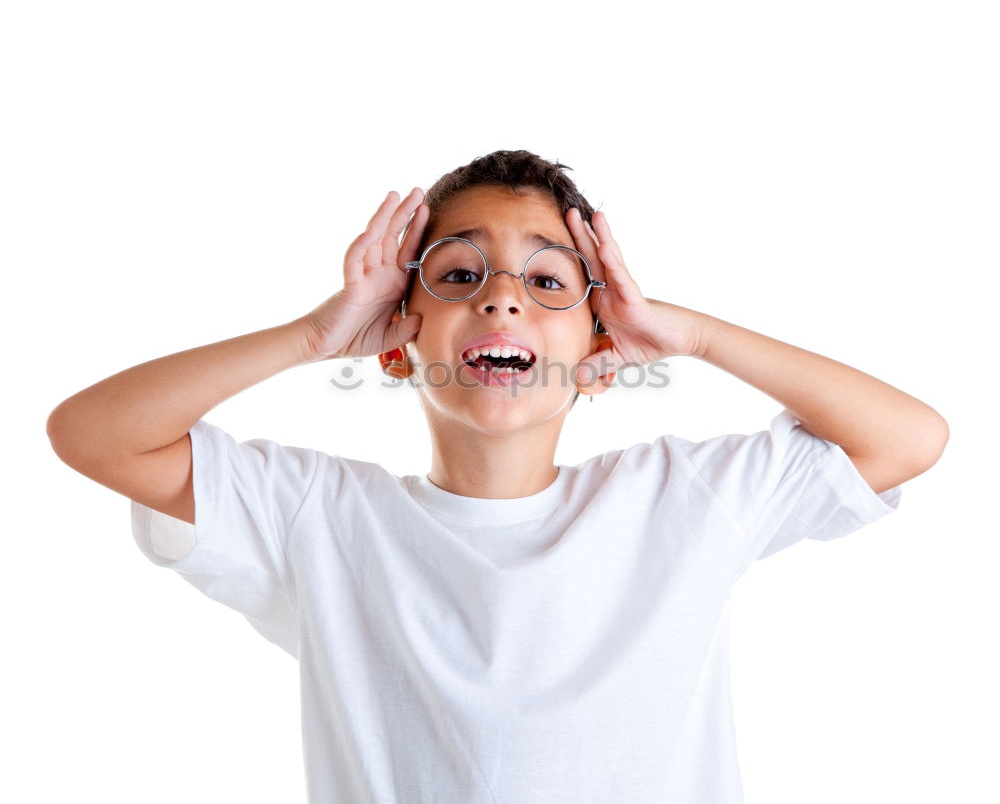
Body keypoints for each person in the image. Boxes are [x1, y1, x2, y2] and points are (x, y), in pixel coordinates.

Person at [46, 149, 949, 803]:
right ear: (398, 345)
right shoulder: (317, 518)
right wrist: (312, 336)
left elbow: (907, 437)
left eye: (549, 281)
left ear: (603, 341)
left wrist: (695, 334)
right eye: (460, 273)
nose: (502, 296)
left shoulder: (680, 500)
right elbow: (94, 434)